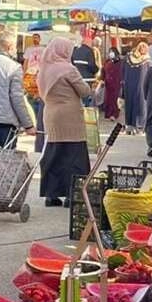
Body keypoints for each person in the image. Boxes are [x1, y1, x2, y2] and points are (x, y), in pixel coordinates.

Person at [35, 36, 93, 206]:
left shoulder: (44, 69)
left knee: (54, 153)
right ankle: (72, 194)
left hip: (50, 113)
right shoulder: (68, 69)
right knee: (74, 155)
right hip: (69, 116)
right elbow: (84, 91)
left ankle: (51, 195)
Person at [22, 33, 46, 152]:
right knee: (31, 99)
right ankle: (33, 120)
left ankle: (37, 119)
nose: (35, 39)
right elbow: (26, 62)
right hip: (30, 76)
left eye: (37, 37)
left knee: (38, 98)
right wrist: (24, 73)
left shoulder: (43, 49)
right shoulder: (29, 50)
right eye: (34, 38)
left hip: (39, 75)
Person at [123, 41, 150, 132]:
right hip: (142, 85)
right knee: (141, 105)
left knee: (129, 103)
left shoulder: (128, 58)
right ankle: (139, 125)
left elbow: (122, 70)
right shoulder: (146, 60)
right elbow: (150, 74)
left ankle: (129, 125)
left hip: (128, 85)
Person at [100, 47, 123, 121]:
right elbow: (103, 71)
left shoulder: (120, 61)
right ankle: (108, 114)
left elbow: (122, 71)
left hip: (116, 82)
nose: (110, 53)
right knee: (108, 99)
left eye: (112, 52)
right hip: (108, 83)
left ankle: (114, 114)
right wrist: (102, 79)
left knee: (114, 98)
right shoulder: (107, 61)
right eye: (110, 52)